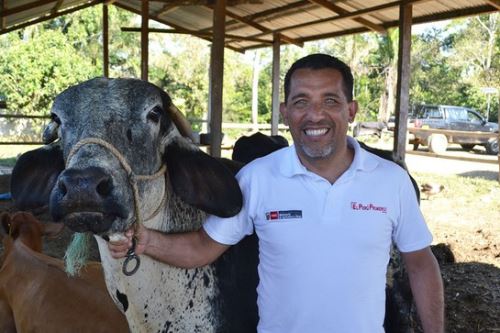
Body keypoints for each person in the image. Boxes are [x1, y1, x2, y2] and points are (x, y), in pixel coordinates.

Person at [109, 53, 444, 333]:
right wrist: (145, 241)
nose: (315, 115)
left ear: (351, 110)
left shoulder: (391, 181)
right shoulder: (257, 178)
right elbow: (202, 247)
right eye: (301, 102)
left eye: (330, 101)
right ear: (285, 112)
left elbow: (420, 264)